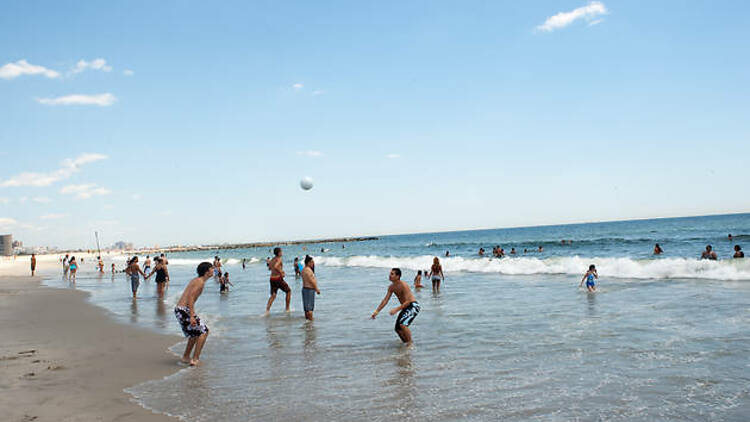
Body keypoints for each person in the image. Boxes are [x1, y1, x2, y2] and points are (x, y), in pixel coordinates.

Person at [174, 262, 212, 366]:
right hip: (183, 310)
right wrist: (191, 316)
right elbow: (190, 297)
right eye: (212, 268)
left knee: (194, 334)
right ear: (207, 271)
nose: (213, 270)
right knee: (204, 331)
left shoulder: (198, 280)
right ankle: (195, 359)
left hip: (180, 309)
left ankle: (186, 357)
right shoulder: (200, 282)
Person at [371, 268, 421, 345]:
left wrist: (396, 309)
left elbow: (408, 301)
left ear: (398, 276)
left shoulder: (403, 285)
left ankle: (410, 344)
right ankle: (406, 343)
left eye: (392, 274)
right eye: (390, 273)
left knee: (403, 325)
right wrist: (377, 311)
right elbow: (385, 300)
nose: (389, 275)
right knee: (397, 329)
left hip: (413, 306)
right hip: (405, 307)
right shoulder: (391, 287)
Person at [266, 247, 291, 314]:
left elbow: (269, 268)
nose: (282, 252)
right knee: (288, 291)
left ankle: (267, 310)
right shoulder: (279, 259)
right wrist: (281, 272)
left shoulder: (272, 259)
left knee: (273, 295)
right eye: (281, 251)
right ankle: (287, 309)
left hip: (272, 279)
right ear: (279, 253)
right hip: (278, 278)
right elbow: (275, 267)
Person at [301, 255, 320, 320]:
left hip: (305, 289)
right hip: (309, 290)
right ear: (308, 263)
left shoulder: (304, 269)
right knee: (310, 308)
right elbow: (311, 280)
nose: (313, 263)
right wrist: (317, 289)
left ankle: (308, 322)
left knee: (306, 308)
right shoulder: (308, 270)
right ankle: (311, 322)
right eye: (312, 262)